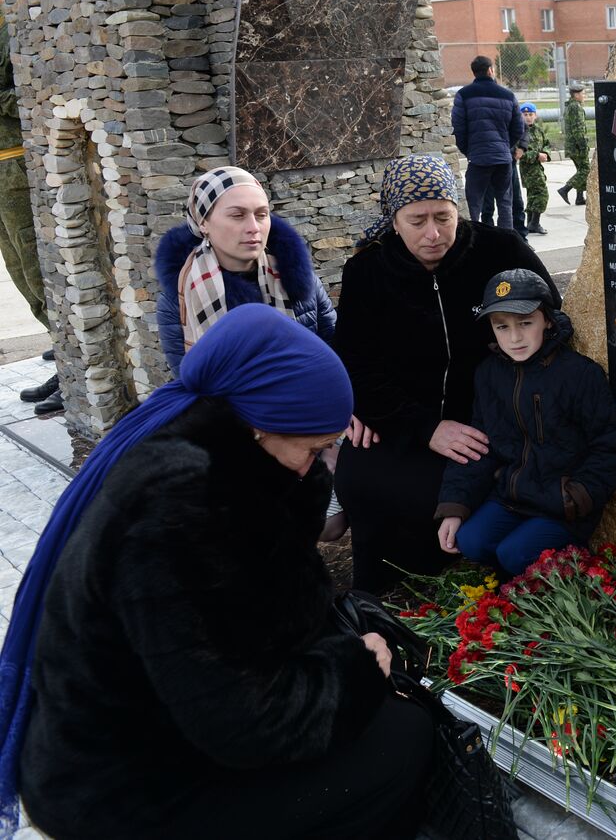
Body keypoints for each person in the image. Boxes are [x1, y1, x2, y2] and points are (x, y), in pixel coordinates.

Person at [1, 304, 433, 839]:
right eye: (315, 449)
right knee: (401, 741)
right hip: (122, 787)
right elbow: (243, 722)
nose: (321, 465)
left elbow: (256, 617)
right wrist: (357, 671)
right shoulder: (180, 509)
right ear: (258, 426)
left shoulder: (233, 462)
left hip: (170, 732)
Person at [334, 155, 557, 593]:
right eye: (417, 220)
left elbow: (553, 320)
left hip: (491, 416)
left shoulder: (500, 251)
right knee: (363, 480)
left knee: (440, 493)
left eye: (444, 216)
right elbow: (355, 364)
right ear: (393, 220)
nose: (433, 234)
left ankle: (452, 598)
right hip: (403, 417)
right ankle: (379, 602)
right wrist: (423, 427)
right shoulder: (367, 272)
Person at [436, 269, 616, 576]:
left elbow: (614, 447)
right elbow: (478, 444)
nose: (514, 337)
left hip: (562, 504)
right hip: (511, 497)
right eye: (502, 327)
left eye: (526, 323)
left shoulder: (579, 375)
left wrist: (578, 496)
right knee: (471, 541)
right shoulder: (488, 374)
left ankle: (544, 571)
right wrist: (454, 505)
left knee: (513, 554)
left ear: (548, 320)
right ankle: (515, 581)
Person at [156, 165, 336, 378]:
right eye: (237, 215)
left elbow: (331, 350)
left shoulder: (297, 278)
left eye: (261, 215)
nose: (254, 227)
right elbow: (191, 382)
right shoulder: (179, 298)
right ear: (203, 223)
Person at [2, 9, 62, 414]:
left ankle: (74, 369)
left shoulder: (12, 31)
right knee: (20, 273)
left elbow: (27, 92)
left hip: (17, 168)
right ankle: (63, 352)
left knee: (39, 271)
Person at [451, 55, 524, 227]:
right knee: (505, 203)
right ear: (491, 70)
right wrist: (505, 147)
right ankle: (506, 242)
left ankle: (476, 244)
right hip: (503, 158)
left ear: (474, 72)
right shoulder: (508, 95)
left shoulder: (463, 95)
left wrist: (469, 151)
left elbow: (458, 128)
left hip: (478, 159)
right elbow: (518, 129)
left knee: (474, 205)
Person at [519, 102, 550, 235]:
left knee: (532, 196)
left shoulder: (538, 130)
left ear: (535, 115)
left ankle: (531, 223)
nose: (528, 117)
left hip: (538, 168)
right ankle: (534, 223)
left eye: (531, 114)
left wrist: (546, 154)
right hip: (528, 169)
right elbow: (519, 153)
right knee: (542, 194)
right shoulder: (519, 131)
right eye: (525, 115)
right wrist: (537, 156)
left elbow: (547, 144)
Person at [558, 81, 589, 206]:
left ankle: (580, 198)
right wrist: (583, 146)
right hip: (577, 146)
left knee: (580, 170)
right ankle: (565, 189)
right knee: (585, 170)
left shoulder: (570, 106)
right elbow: (578, 129)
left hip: (572, 145)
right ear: (576, 95)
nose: (584, 95)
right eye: (583, 93)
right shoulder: (576, 107)